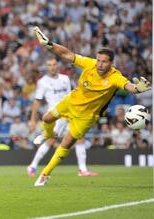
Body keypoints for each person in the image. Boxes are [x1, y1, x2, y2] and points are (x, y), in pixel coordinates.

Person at [32, 26, 151, 186]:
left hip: (86, 116)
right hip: (71, 102)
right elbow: (68, 54)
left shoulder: (115, 77)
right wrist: (49, 44)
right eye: (99, 60)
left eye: (104, 62)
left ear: (111, 63)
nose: (100, 64)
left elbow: (128, 86)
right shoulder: (90, 64)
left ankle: (45, 175)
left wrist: (137, 89)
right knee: (46, 118)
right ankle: (48, 134)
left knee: (65, 144)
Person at [27, 58, 98, 177]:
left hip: (69, 113)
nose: (52, 67)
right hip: (55, 115)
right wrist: (32, 120)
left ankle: (82, 170)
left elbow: (71, 96)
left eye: (54, 64)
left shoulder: (65, 79)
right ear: (47, 67)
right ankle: (32, 166)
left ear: (57, 66)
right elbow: (37, 101)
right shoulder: (43, 82)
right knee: (50, 141)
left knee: (79, 138)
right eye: (49, 65)